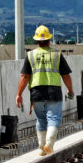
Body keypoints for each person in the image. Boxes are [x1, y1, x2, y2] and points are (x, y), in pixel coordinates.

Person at [15, 25, 74, 155]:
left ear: (37, 40)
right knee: (53, 118)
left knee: (41, 120)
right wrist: (70, 89)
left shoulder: (30, 55)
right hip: (54, 91)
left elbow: (24, 76)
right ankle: (49, 143)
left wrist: (18, 94)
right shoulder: (57, 55)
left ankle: (41, 147)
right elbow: (65, 75)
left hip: (36, 92)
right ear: (49, 40)